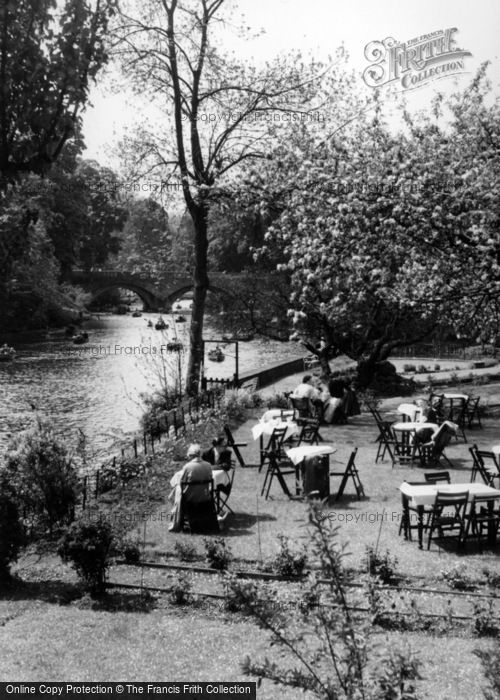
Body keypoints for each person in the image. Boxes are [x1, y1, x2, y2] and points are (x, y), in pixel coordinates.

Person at [168, 444, 215, 532]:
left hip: (190, 498)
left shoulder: (188, 467)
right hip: (205, 496)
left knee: (177, 489)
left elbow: (182, 481)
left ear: (190, 455)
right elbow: (210, 478)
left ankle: (178, 516)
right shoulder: (208, 465)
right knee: (178, 489)